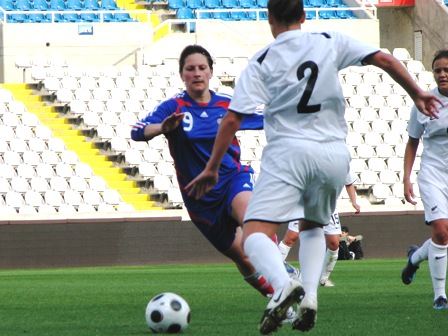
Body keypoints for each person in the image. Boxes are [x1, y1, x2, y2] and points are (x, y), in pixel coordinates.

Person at [186, 0, 442, 333]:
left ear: (269, 19)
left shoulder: (262, 60)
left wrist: (210, 168)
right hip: (334, 154)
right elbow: (384, 58)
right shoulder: (327, 39)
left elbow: (232, 119)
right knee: (312, 227)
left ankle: (282, 285)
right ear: (304, 16)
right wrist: (418, 93)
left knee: (254, 234)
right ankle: (310, 298)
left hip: (288, 152)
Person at [130, 45, 283, 302]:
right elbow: (137, 131)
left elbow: (267, 118)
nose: (197, 73)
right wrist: (161, 128)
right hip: (200, 199)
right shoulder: (173, 107)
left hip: (232, 179)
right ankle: (277, 298)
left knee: (251, 222)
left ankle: (281, 272)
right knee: (243, 256)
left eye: (202, 68)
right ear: (182, 75)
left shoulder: (228, 104)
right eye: (190, 69)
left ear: (211, 72)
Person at [401, 49, 448, 310]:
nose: (442, 74)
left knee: (446, 236)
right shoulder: (424, 102)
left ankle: (414, 258)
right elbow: (412, 142)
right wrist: (406, 178)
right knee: (441, 230)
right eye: (438, 70)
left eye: (446, 70)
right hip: (432, 173)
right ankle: (439, 296)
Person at [278, 170, 361, 287]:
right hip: (303, 203)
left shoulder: (340, 160)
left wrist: (354, 202)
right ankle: (274, 271)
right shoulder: (309, 156)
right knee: (291, 237)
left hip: (328, 206)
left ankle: (324, 279)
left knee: (334, 243)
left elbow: (348, 183)